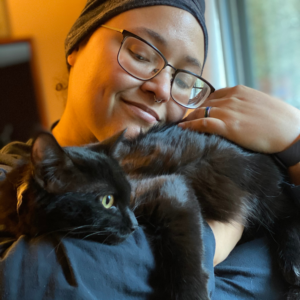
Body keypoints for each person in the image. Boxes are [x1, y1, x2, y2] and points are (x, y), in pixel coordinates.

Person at [0, 0, 299, 299]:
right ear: (76, 46)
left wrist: (295, 143)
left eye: (183, 80)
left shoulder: (201, 156)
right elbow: (27, 279)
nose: (162, 89)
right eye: (140, 54)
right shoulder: (8, 186)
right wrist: (214, 238)